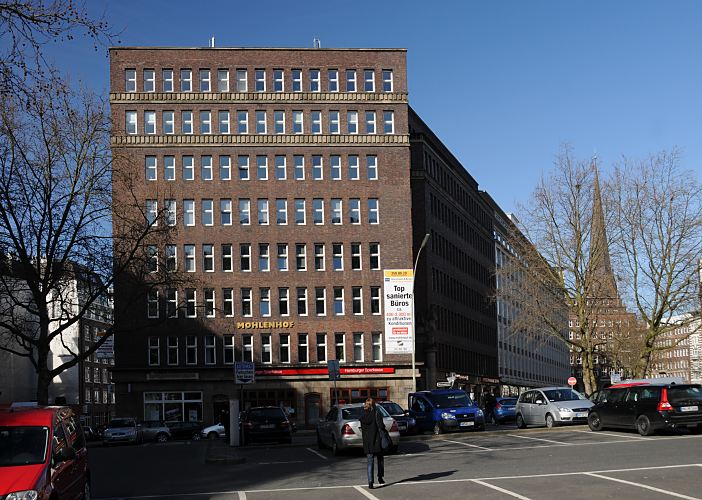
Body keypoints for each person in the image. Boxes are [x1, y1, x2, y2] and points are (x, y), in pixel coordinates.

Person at [360, 398, 386, 489]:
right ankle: (380, 477)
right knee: (380, 459)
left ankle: (370, 482)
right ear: (374, 405)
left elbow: (363, 430)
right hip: (376, 440)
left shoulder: (363, 416)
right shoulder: (377, 414)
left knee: (370, 461)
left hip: (368, 442)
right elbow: (381, 426)